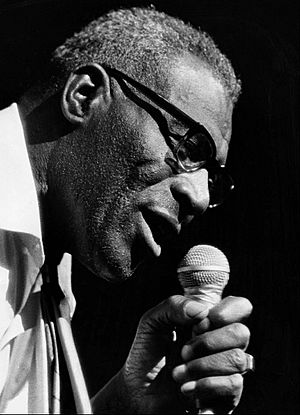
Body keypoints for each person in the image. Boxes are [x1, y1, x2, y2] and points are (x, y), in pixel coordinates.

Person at [0, 6, 253, 414]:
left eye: (213, 178)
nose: (201, 198)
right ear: (84, 97)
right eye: (189, 148)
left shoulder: (48, 265)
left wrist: (128, 403)